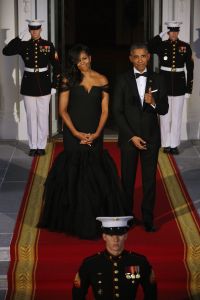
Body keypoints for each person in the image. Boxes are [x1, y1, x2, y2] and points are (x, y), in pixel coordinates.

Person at [38, 44, 128, 240]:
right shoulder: (67, 79)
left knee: (94, 174)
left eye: (85, 58)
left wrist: (96, 133)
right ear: (74, 62)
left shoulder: (102, 79)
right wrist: (78, 134)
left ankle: (95, 217)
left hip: (95, 133)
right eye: (78, 60)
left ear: (90, 57)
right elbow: (63, 111)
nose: (82, 63)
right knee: (75, 173)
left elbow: (105, 110)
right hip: (74, 133)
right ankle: (74, 218)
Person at [112, 43, 168, 232]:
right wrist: (131, 136)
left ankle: (148, 219)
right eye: (135, 57)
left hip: (151, 139)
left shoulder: (159, 79)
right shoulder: (121, 80)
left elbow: (165, 109)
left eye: (143, 56)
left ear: (149, 57)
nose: (140, 60)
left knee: (149, 181)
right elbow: (117, 112)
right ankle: (127, 218)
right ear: (130, 58)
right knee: (127, 181)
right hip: (129, 139)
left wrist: (153, 103)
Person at [2, 19, 61, 156]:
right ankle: (33, 146)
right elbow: (6, 51)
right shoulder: (23, 45)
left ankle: (41, 145)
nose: (34, 32)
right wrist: (18, 38)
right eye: (32, 29)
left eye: (37, 29)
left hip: (44, 85)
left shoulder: (48, 45)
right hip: (28, 85)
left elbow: (57, 66)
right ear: (29, 30)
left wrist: (54, 85)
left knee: (43, 115)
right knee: (31, 116)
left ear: (41, 30)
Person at [72, 216, 157, 300]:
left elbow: (151, 293)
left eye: (119, 235)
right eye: (111, 235)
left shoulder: (138, 261)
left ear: (125, 236)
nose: (115, 239)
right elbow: (78, 295)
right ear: (104, 237)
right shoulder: (91, 263)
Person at [148, 21, 194, 155]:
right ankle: (165, 143)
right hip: (164, 84)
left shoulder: (185, 46)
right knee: (164, 115)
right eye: (171, 31)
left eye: (176, 31)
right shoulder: (161, 45)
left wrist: (188, 89)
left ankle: (174, 144)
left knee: (177, 116)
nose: (173, 34)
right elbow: (148, 46)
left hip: (179, 85)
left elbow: (190, 69)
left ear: (178, 32)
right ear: (168, 32)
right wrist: (160, 35)